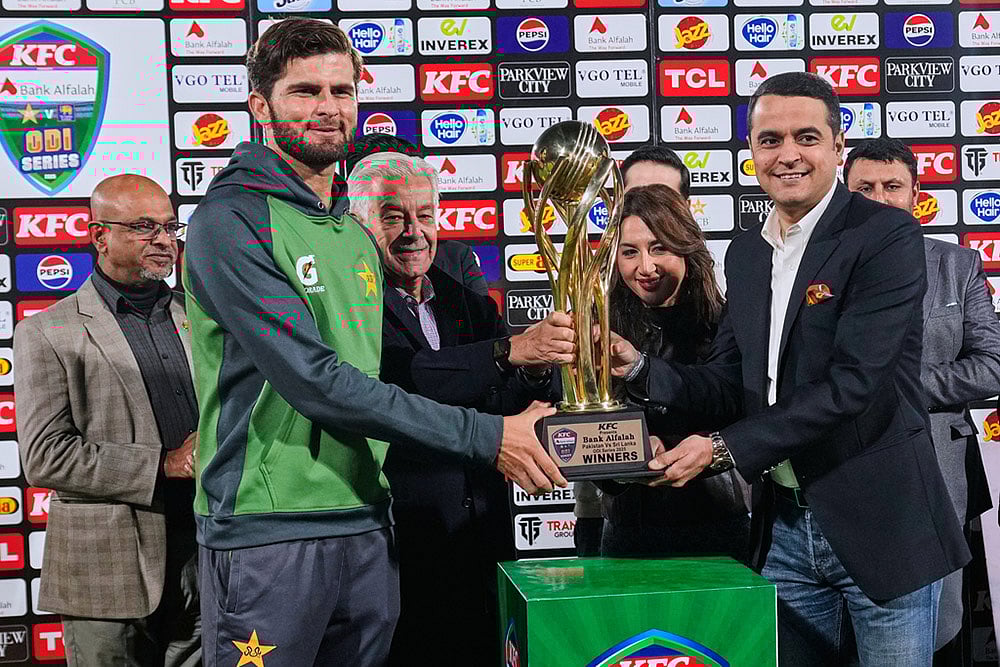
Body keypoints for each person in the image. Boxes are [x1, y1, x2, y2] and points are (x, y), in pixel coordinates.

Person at [182, 18, 564, 667]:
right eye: (305, 91)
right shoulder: (230, 220)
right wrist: (490, 434)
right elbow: (317, 380)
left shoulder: (354, 230)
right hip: (269, 534)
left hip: (369, 520)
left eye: (342, 90)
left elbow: (391, 372)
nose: (328, 107)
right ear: (259, 105)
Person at [609, 72, 970, 664]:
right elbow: (730, 381)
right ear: (751, 150)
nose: (787, 155)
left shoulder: (885, 235)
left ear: (837, 147)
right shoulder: (747, 252)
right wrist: (638, 366)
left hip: (882, 525)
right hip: (781, 531)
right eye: (769, 140)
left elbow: (855, 384)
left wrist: (723, 449)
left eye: (806, 137)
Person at [348, 151, 571, 665]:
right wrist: (511, 350)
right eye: (393, 217)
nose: (413, 232)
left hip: (484, 533)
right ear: (359, 224)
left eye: (424, 215)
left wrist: (535, 371)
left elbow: (500, 401)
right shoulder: (350, 306)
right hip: (401, 539)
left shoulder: (465, 300)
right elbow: (404, 379)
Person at [14, 174, 200, 666]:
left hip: (207, 556)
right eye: (144, 227)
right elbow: (45, 457)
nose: (164, 241)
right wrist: (165, 464)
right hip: (105, 571)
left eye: (169, 227)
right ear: (99, 236)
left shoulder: (201, 318)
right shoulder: (47, 331)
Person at [844, 137, 1000, 662]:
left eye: (893, 186)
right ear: (845, 194)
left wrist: (895, 385)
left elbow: (992, 365)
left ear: (917, 194)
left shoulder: (957, 265)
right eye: (864, 188)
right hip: (841, 475)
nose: (880, 198)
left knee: (939, 627)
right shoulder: (815, 266)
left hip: (934, 470)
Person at [597, 184, 749, 561]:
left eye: (659, 247)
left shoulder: (726, 321)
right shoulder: (600, 327)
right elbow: (583, 428)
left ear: (686, 246)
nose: (645, 268)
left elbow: (734, 407)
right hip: (628, 527)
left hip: (719, 520)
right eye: (629, 252)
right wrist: (625, 458)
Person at [573, 145, 692, 557]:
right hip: (617, 516)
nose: (645, 211)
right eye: (633, 199)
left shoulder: (726, 310)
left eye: (662, 201)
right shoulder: (593, 309)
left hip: (715, 515)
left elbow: (731, 403)